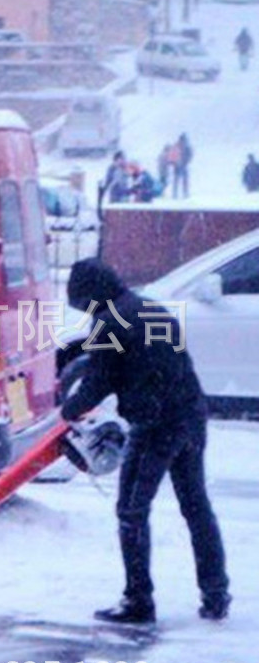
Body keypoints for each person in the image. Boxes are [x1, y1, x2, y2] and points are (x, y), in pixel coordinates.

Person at [61, 258, 231, 624]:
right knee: (196, 506)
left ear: (90, 294)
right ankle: (216, 594)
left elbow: (97, 381)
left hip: (155, 425)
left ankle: (138, 599)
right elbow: (162, 362)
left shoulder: (110, 322)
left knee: (131, 511)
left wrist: (67, 410)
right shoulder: (148, 308)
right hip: (190, 414)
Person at [175, 133, 192, 198]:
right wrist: (187, 161)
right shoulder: (186, 146)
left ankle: (176, 194)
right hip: (182, 165)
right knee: (183, 180)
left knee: (178, 180)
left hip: (178, 165)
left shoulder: (176, 145)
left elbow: (190, 154)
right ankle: (184, 193)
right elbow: (190, 154)